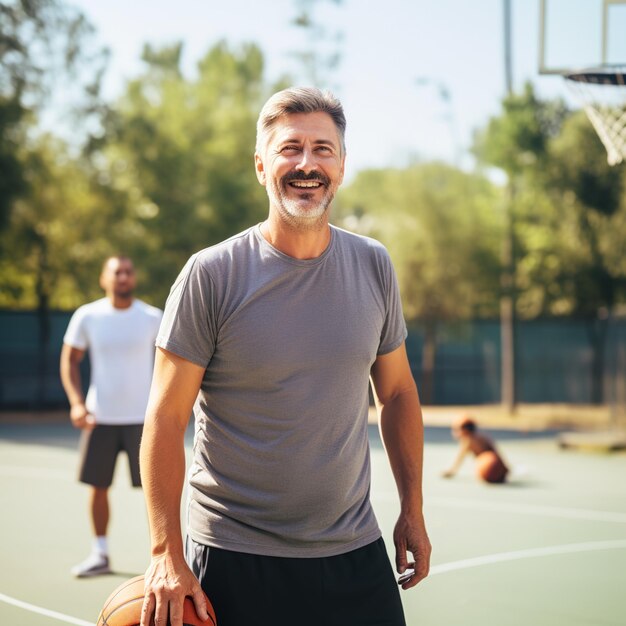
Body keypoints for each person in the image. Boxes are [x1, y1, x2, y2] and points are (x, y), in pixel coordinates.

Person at [139, 86, 431, 626]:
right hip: (236, 556)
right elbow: (166, 414)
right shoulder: (211, 274)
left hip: (353, 551)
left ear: (341, 166)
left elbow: (396, 392)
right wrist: (165, 553)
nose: (306, 164)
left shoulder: (373, 265)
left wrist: (411, 507)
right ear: (260, 165)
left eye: (322, 149)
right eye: (289, 148)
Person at [60, 255, 162, 577]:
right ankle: (100, 554)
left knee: (156, 489)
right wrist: (77, 402)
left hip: (144, 422)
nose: (123, 277)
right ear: (104, 278)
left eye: (128, 272)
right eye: (116, 272)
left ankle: (161, 557)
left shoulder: (152, 318)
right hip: (100, 418)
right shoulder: (87, 316)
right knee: (98, 486)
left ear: (134, 278)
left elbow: (169, 365)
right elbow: (70, 360)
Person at [442, 414, 509, 483]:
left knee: (489, 469)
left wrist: (452, 471)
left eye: (456, 429)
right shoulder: (479, 436)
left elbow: (460, 457)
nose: (454, 432)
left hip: (489, 466)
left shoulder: (470, 440)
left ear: (465, 430)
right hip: (492, 466)